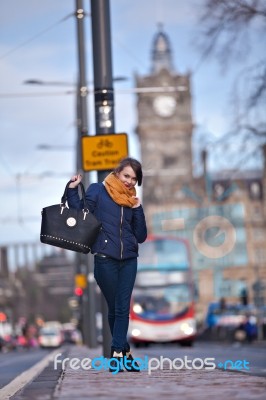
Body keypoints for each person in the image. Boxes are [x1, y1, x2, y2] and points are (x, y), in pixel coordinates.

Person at [67, 157, 147, 372]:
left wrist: (138, 209)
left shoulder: (132, 201)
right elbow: (82, 213)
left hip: (129, 259)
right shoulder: (98, 190)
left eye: (134, 178)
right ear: (118, 172)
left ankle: (117, 353)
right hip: (104, 259)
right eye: (126, 176)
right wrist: (72, 189)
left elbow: (140, 236)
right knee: (116, 307)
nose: (130, 181)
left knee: (122, 307)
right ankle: (125, 351)